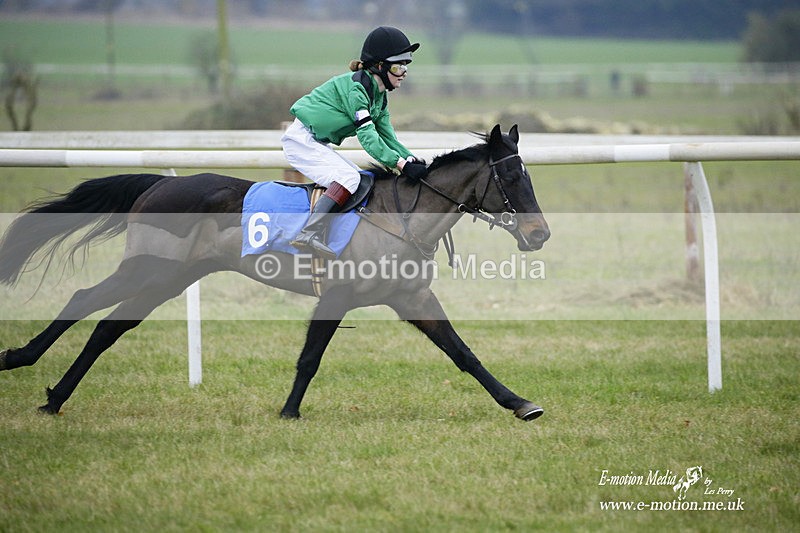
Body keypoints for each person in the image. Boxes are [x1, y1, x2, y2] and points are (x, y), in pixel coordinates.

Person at [282, 26, 428, 260]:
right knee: (349, 179)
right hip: (301, 141)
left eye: (406, 66)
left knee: (361, 179)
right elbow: (368, 138)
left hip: (315, 141)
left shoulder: (379, 96)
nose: (403, 73)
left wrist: (410, 159)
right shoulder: (357, 91)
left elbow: (388, 137)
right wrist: (401, 165)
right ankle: (309, 233)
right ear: (379, 66)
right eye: (397, 66)